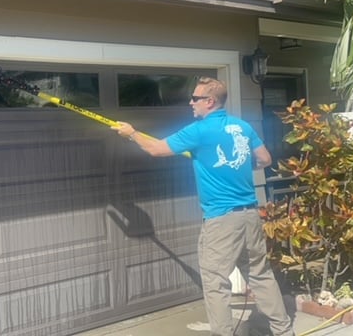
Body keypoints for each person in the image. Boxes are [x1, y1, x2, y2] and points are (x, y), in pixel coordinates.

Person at [111, 76, 294, 336]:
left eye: (195, 98)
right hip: (250, 216)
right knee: (260, 274)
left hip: (221, 221)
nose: (190, 102)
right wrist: (240, 168)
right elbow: (264, 159)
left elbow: (155, 148)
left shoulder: (199, 130)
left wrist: (131, 134)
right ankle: (284, 331)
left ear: (210, 101)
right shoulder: (242, 126)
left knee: (215, 282)